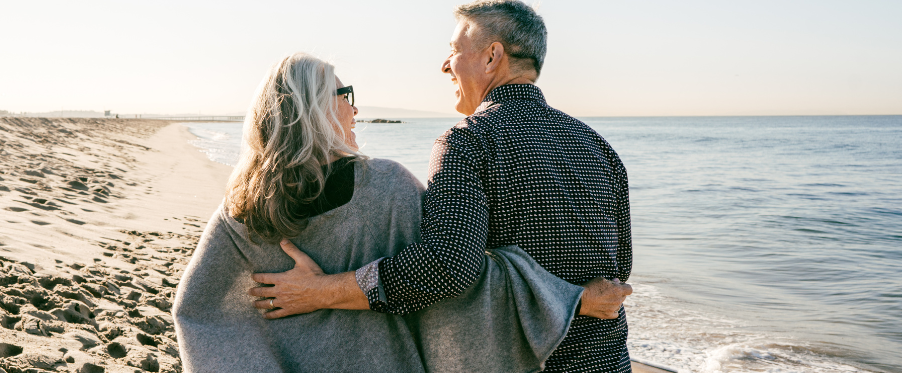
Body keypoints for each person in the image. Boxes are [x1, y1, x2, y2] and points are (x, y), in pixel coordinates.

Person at [173, 52, 627, 372]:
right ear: (312, 108)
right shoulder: (384, 187)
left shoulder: (241, 206)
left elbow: (197, 313)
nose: (354, 107)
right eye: (344, 93)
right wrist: (573, 299)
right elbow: (457, 277)